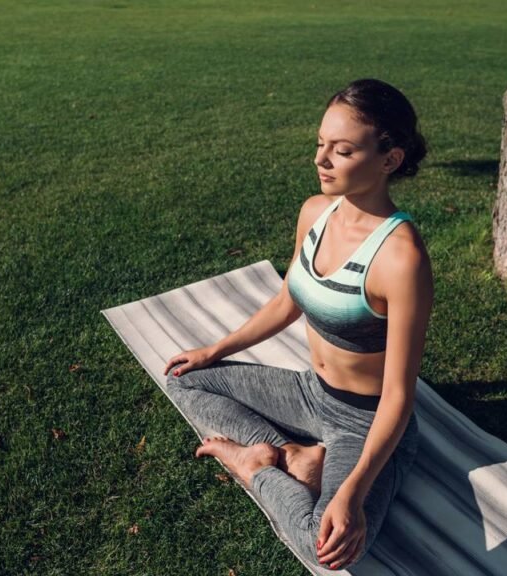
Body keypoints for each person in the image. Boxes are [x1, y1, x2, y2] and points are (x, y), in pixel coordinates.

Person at [163, 78, 433, 571]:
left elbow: (399, 394)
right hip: (311, 395)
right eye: (320, 144)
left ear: (389, 160)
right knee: (184, 377)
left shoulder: (401, 258)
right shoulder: (315, 211)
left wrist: (352, 492)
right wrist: (214, 351)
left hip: (364, 422)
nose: (321, 160)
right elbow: (288, 298)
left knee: (324, 549)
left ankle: (255, 466)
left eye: (343, 150)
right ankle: (289, 453)